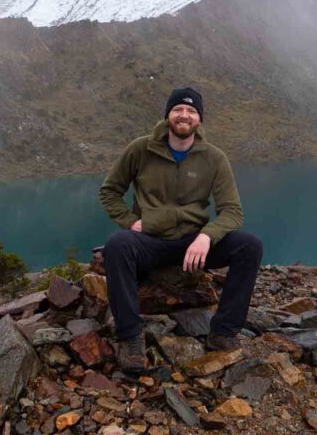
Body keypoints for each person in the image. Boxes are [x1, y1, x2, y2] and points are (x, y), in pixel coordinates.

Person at [98, 86, 263, 372]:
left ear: (199, 119)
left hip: (193, 245)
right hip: (150, 240)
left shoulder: (214, 158)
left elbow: (232, 212)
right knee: (117, 245)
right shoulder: (141, 149)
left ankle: (223, 332)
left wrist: (206, 236)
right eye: (178, 110)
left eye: (191, 111)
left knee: (249, 246)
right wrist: (129, 222)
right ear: (168, 115)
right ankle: (131, 338)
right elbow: (110, 191)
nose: (184, 115)